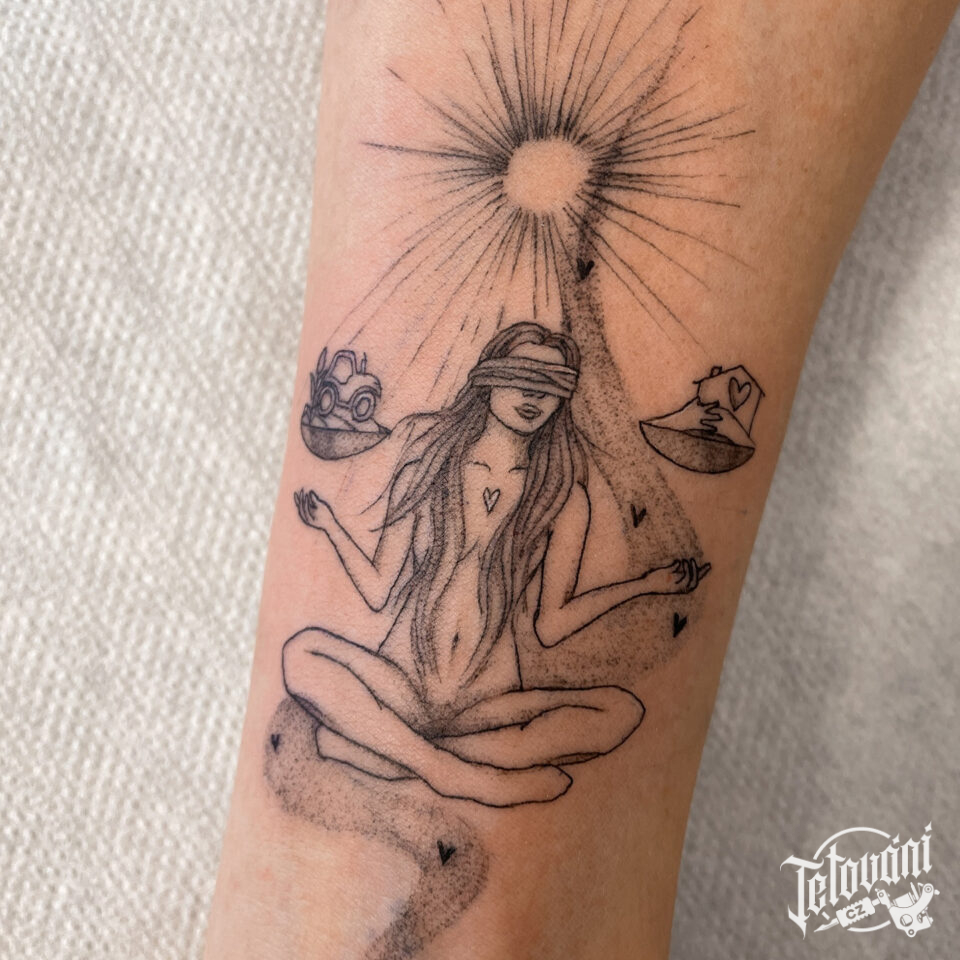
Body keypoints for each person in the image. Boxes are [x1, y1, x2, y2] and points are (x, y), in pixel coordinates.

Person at [285, 321, 708, 807]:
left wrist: (645, 585)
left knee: (621, 711)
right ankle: (449, 773)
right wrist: (330, 526)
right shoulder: (428, 464)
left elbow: (552, 624)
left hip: (485, 704)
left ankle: (385, 751)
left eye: (551, 385)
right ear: (489, 378)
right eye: (521, 376)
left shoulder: (564, 497)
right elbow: (380, 590)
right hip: (404, 682)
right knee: (301, 653)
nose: (534, 395)